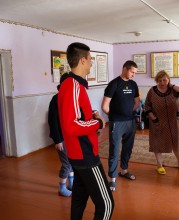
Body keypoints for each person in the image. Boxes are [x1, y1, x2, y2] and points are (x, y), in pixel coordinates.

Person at [58, 42, 114, 220]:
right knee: (106, 204)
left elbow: (77, 116)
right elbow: (71, 125)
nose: (91, 63)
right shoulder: (72, 85)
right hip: (85, 154)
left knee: (79, 199)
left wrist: (91, 115)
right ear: (82, 60)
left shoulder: (75, 85)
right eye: (90, 60)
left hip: (80, 152)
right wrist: (97, 123)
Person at [144, 70, 179, 175]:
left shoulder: (173, 90)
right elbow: (147, 105)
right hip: (158, 121)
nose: (162, 82)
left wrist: (172, 85)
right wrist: (153, 118)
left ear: (169, 80)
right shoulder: (152, 91)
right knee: (157, 143)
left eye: (165, 80)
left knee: (176, 142)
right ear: (157, 81)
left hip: (173, 121)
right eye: (160, 80)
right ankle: (159, 165)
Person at [101, 60, 140, 191]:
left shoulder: (133, 84)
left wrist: (129, 112)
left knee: (127, 148)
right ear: (124, 69)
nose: (134, 75)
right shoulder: (114, 84)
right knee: (114, 150)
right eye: (132, 72)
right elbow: (105, 106)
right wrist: (115, 115)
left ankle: (123, 171)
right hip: (116, 123)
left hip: (130, 122)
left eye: (135, 73)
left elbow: (136, 102)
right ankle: (112, 179)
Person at [48, 73, 74, 197]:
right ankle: (62, 188)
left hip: (71, 136)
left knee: (73, 160)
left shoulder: (72, 97)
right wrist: (57, 140)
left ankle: (71, 183)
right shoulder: (56, 99)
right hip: (61, 138)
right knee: (66, 163)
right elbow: (52, 121)